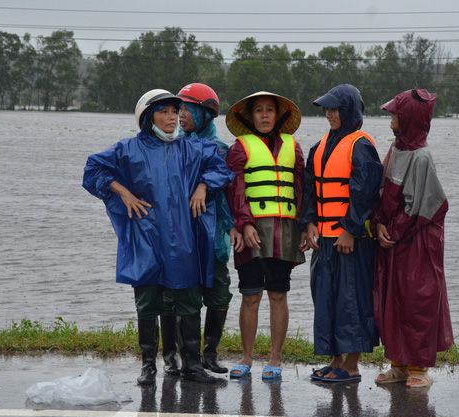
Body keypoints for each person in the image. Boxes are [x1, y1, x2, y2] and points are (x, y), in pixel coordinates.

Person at [82, 89, 233, 385]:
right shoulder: (128, 149)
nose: (171, 117)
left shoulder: (193, 148)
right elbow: (93, 169)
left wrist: (203, 186)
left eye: (174, 112)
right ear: (148, 116)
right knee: (148, 303)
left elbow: (221, 168)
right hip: (147, 237)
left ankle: (193, 366)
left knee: (189, 301)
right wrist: (123, 192)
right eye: (163, 111)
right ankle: (148, 366)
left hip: (184, 240)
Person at [300, 84, 383, 383]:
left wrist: (350, 229)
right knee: (327, 300)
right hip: (324, 241)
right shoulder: (320, 146)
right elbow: (310, 190)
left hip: (351, 242)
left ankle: (351, 365)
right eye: (327, 109)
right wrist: (308, 223)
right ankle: (335, 361)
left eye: (336, 109)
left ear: (350, 111)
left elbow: (366, 191)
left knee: (352, 302)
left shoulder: (361, 145)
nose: (330, 115)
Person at [372, 89, 454, 388]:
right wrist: (378, 224)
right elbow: (381, 191)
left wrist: (392, 231)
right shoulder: (395, 150)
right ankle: (398, 363)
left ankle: (419, 367)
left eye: (395, 114)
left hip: (418, 242)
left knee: (417, 300)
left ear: (410, 118)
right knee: (392, 299)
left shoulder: (421, 156)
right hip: (394, 239)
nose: (391, 119)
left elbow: (423, 206)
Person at [225, 91, 305, 380]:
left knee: (278, 293)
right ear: (250, 117)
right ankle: (246, 358)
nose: (264, 115)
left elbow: (301, 190)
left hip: (284, 230)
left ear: (279, 115)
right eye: (258, 110)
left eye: (269, 110)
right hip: (252, 231)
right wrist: (244, 224)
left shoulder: (293, 147)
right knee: (250, 295)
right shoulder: (239, 148)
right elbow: (234, 190)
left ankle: (275, 359)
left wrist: (306, 225)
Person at [175, 82, 243, 374]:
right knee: (184, 297)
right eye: (179, 110)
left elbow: (227, 193)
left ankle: (210, 353)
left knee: (219, 294)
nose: (181, 116)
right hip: (183, 238)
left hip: (213, 238)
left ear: (204, 115)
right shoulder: (172, 145)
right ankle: (183, 357)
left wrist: (231, 228)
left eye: (187, 110)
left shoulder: (220, 149)